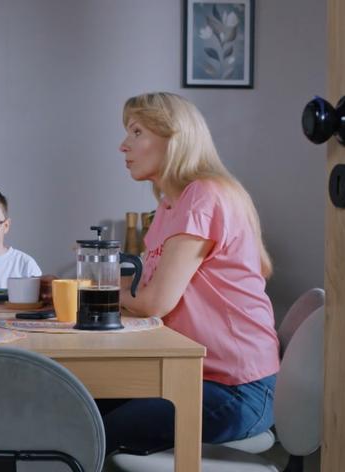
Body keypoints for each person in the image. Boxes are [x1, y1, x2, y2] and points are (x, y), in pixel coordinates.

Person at [103, 92, 279, 454]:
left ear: (175, 138)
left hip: (236, 391)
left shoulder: (204, 196)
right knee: (86, 400)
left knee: (94, 425)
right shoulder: (170, 205)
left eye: (137, 132)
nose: (123, 145)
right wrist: (83, 286)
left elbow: (155, 301)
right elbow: (146, 284)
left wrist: (95, 293)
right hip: (198, 375)